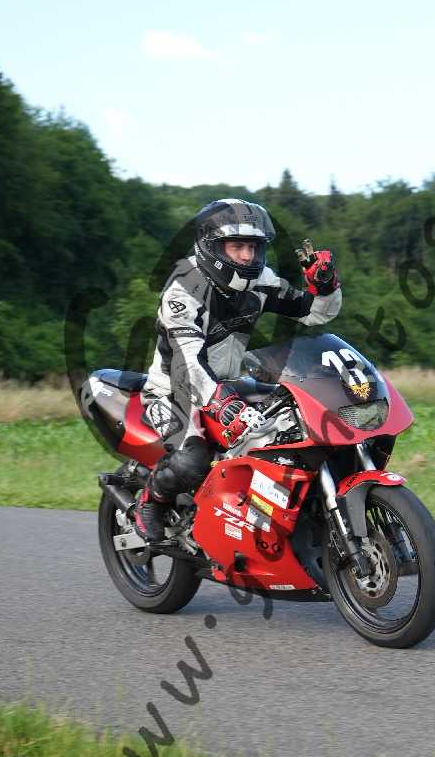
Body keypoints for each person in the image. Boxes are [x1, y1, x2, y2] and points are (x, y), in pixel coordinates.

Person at [133, 198, 341, 542]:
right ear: (211, 246)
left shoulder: (260, 281)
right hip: (174, 390)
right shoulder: (184, 288)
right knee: (192, 461)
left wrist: (326, 285)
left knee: (293, 425)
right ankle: (151, 499)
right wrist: (221, 402)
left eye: (253, 247)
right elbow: (187, 362)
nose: (247, 256)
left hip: (229, 383)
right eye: (237, 246)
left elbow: (316, 313)